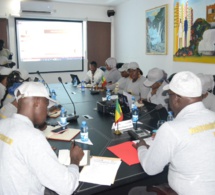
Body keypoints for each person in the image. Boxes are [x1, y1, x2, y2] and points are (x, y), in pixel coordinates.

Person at [133, 71, 215, 194]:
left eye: (169, 94)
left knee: (135, 191)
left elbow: (150, 168)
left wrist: (142, 147)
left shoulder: (171, 128)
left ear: (176, 98)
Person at [0, 82, 84, 194]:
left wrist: (43, 151)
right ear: (37, 103)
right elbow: (67, 187)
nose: (47, 113)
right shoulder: (31, 136)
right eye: (46, 106)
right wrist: (75, 160)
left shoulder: (3, 123)